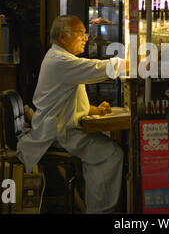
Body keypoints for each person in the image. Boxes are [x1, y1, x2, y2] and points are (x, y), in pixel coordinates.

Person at [16, 15, 128, 214]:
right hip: (59, 133)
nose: (86, 38)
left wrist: (93, 109)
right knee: (111, 153)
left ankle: (95, 205)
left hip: (62, 128)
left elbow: (66, 99)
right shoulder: (60, 61)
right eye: (81, 34)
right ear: (62, 37)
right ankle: (99, 210)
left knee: (102, 150)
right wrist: (131, 61)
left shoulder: (61, 59)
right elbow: (97, 68)